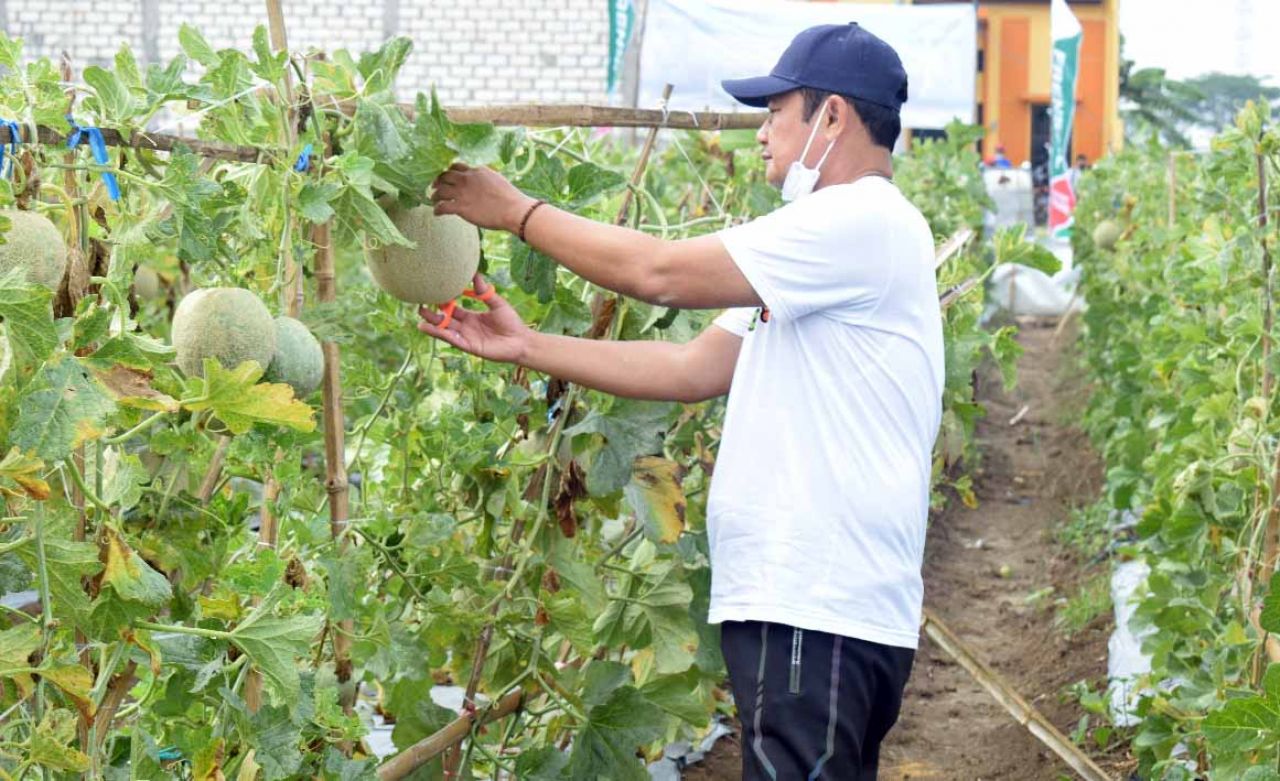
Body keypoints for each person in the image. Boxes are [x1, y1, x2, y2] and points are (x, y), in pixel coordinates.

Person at [421, 22, 942, 781]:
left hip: (815, 605)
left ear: (832, 116)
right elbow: (690, 365)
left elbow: (659, 272)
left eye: (775, 111)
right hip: (801, 608)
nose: (761, 132)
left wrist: (516, 212)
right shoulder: (823, 245)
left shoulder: (857, 219)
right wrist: (526, 344)